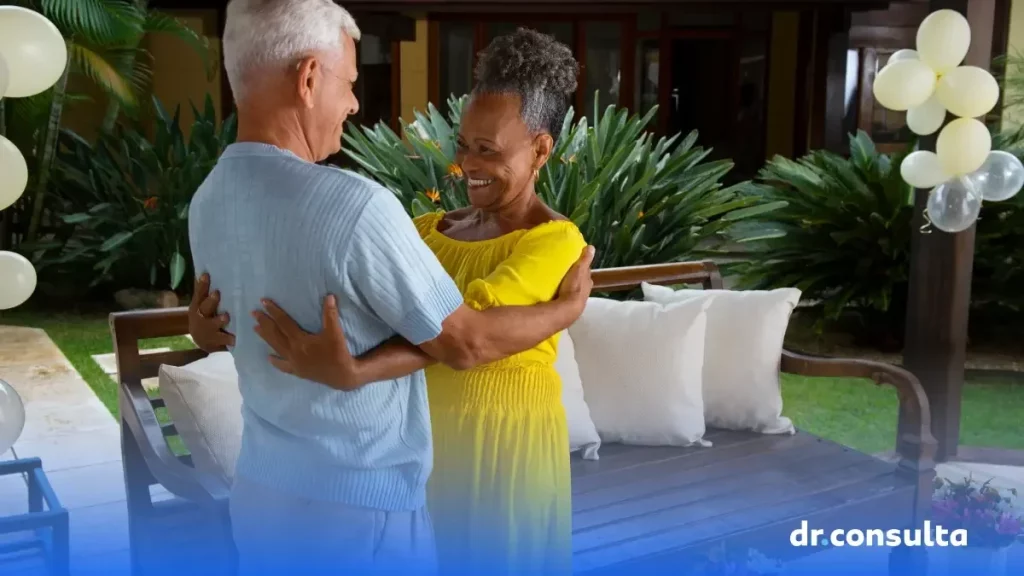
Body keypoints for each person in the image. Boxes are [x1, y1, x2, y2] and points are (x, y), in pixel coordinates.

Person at [188, 2, 594, 575]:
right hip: (357, 511)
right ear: (308, 78)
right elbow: (464, 339)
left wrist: (200, 328)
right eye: (349, 82)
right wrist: (570, 306)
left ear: (541, 149)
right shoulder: (356, 207)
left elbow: (228, 314)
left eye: (487, 149)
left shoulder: (208, 200)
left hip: (265, 493)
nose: (354, 102)